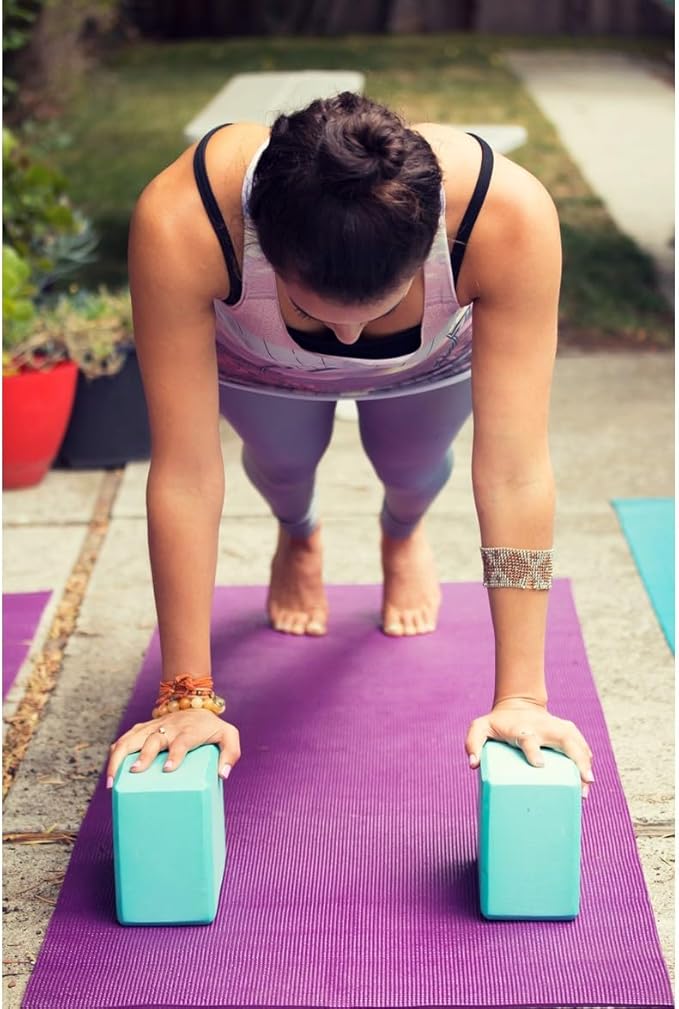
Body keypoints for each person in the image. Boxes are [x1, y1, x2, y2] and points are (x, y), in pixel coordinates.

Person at [106, 93, 594, 798]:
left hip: (425, 363)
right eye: (310, 309)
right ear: (263, 245)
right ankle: (296, 531)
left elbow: (514, 471)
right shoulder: (185, 219)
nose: (344, 341)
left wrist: (523, 696)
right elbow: (184, 472)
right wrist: (185, 694)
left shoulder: (505, 214)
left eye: (376, 311)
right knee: (281, 465)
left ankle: (403, 531)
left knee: (411, 467)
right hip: (258, 362)